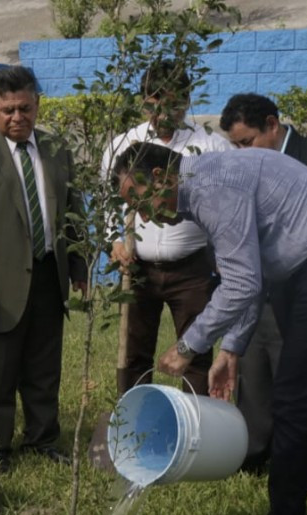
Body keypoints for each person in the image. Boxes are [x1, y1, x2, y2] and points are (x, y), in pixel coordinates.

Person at [112, 142, 307, 515]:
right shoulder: (211, 177)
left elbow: (242, 284)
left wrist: (189, 345)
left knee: (294, 405)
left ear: (159, 177)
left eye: (140, 201)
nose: (144, 217)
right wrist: (233, 349)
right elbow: (250, 276)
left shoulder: (210, 187)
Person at [0, 67, 87, 473]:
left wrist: (78, 264)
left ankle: (43, 438)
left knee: (45, 366)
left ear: (37, 104)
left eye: (25, 108)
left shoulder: (55, 149)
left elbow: (73, 211)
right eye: (7, 110)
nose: (17, 118)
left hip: (49, 273)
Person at [218, 93, 307, 473]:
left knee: (299, 383)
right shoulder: (241, 169)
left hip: (306, 294)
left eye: (247, 142)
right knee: (254, 377)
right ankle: (252, 455)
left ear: (272, 124)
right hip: (258, 293)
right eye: (235, 146)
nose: (242, 153)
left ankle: (300, 463)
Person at [101, 60, 231, 396]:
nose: (161, 111)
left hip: (191, 269)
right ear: (143, 101)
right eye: (152, 102)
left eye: (172, 102)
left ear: (186, 102)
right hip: (138, 268)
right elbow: (107, 201)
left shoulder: (209, 147)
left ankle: (198, 426)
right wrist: (114, 241)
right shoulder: (123, 145)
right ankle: (134, 424)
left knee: (196, 351)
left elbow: (227, 207)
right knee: (134, 353)